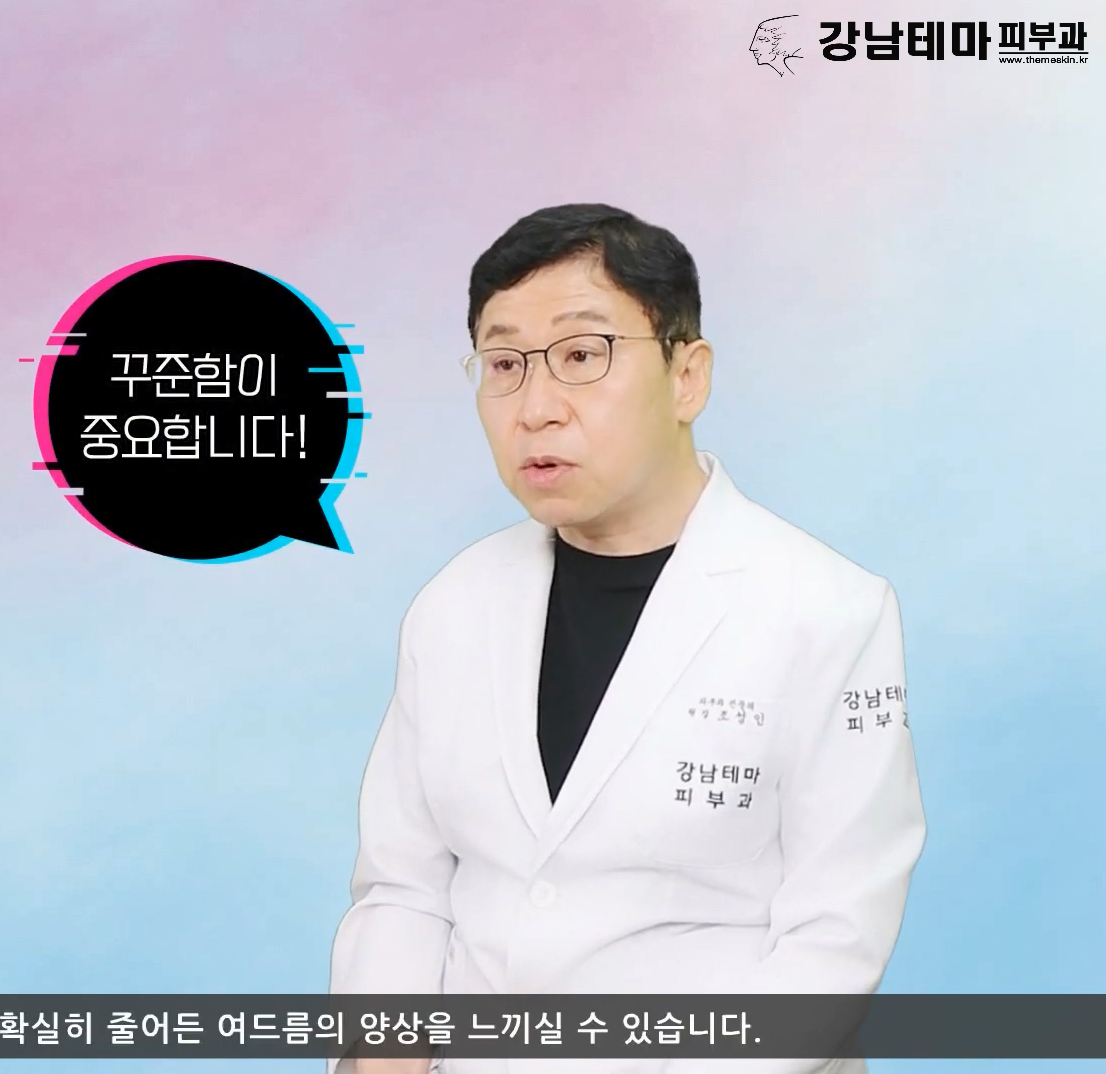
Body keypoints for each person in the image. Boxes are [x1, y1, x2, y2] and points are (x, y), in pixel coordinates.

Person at [327, 204, 926, 1074]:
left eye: (582, 355)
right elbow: (404, 888)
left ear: (688, 377)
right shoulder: (454, 605)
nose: (536, 409)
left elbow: (833, 937)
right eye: (505, 365)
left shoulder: (830, 609)